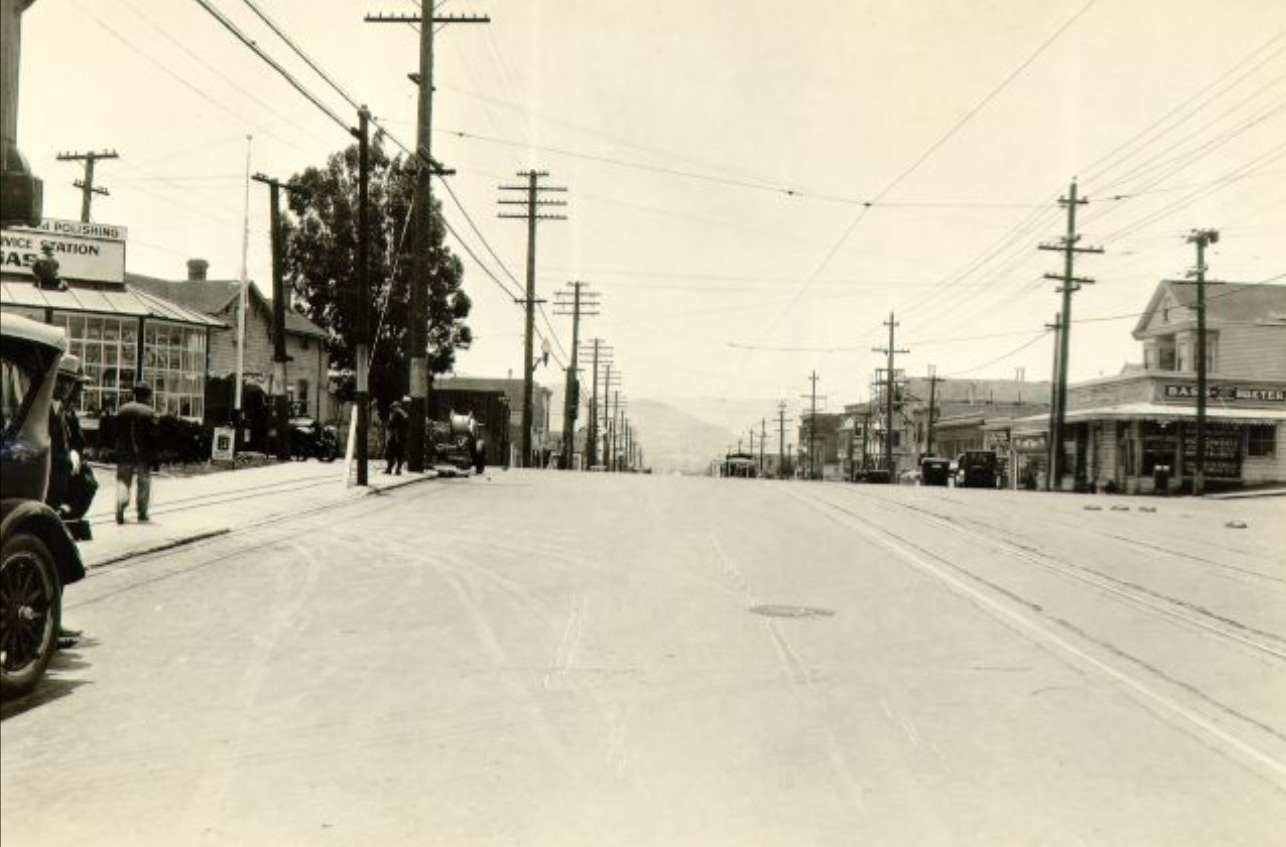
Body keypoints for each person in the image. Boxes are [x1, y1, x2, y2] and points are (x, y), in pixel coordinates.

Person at [114, 382, 158, 524]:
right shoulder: (150, 412)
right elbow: (154, 436)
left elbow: (115, 431)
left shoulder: (122, 410)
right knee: (144, 481)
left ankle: (121, 502)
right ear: (146, 396)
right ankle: (142, 512)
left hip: (124, 451)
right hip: (143, 453)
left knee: (123, 480)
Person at [385, 397, 409, 475]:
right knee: (400, 454)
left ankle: (389, 469)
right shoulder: (404, 414)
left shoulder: (396, 413)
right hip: (402, 437)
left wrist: (387, 426)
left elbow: (391, 424)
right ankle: (398, 469)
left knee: (390, 453)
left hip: (395, 437)